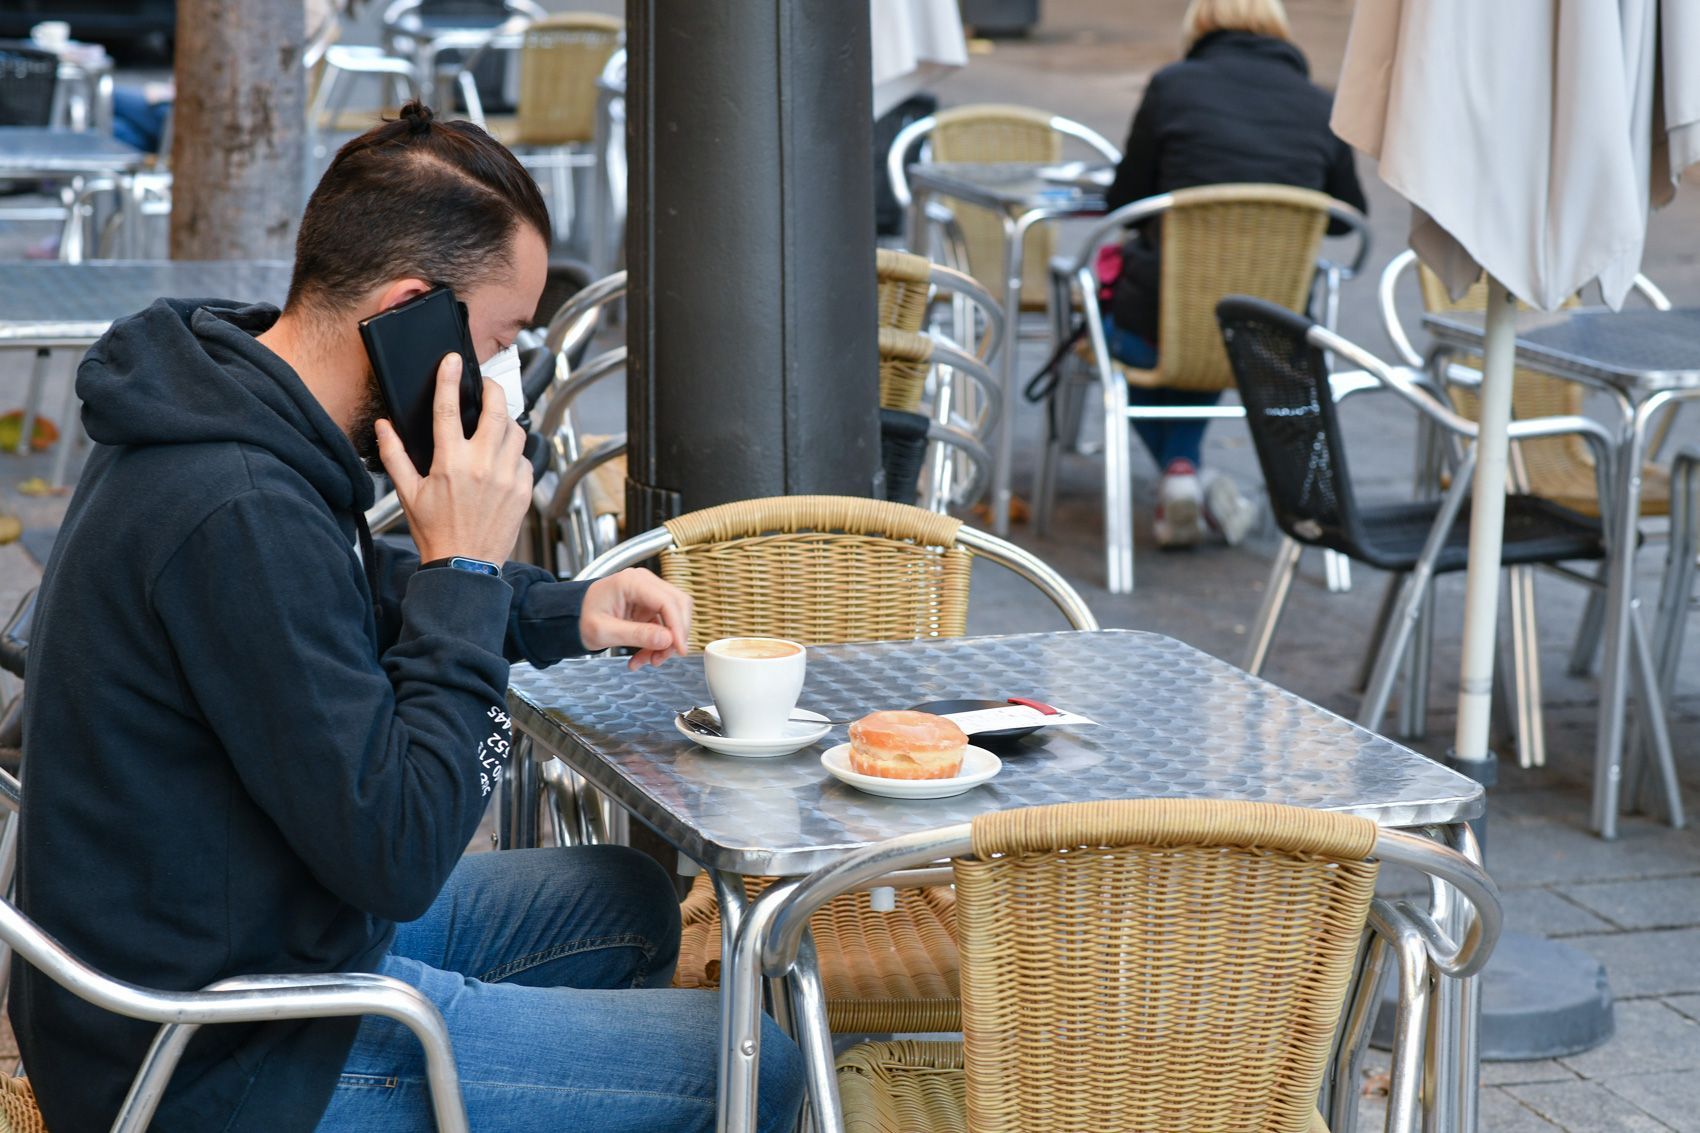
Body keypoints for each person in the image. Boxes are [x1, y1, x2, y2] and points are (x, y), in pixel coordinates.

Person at [10, 102, 803, 1132]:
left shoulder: (229, 407)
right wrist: (468, 565)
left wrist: (558, 606)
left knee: (626, 899)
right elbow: (402, 848)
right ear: (410, 310)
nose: (504, 374)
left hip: (256, 930)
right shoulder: (236, 506)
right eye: (498, 338)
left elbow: (350, 589)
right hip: (220, 1058)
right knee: (757, 1064)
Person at [1101, 0, 1368, 547]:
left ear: (1197, 26)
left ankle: (1184, 474)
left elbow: (1126, 198)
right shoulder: (1322, 105)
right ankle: (1190, 475)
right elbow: (1347, 219)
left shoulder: (1172, 87)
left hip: (1165, 322)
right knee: (1220, 332)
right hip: (1273, 330)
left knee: (1110, 323)